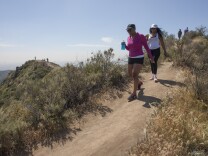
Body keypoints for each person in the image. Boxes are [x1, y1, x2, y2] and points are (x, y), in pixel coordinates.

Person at [124, 24, 155, 101]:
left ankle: (134, 94)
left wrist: (151, 58)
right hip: (131, 57)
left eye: (130, 30)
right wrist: (125, 46)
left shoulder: (141, 36)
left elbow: (146, 47)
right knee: (129, 74)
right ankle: (139, 83)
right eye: (127, 30)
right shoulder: (128, 38)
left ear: (134, 29)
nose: (128, 31)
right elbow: (129, 48)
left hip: (139, 57)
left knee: (134, 74)